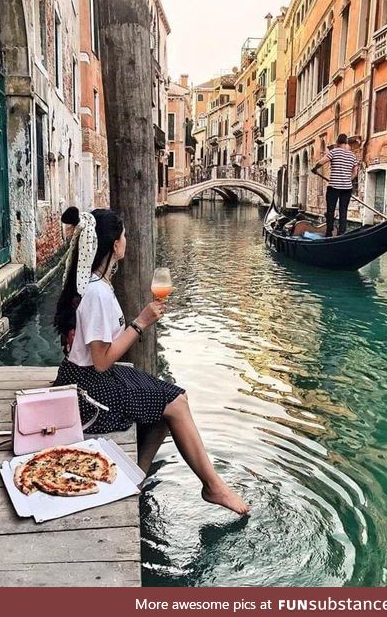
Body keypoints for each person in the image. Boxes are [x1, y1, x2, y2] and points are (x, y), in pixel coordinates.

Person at [54, 207, 249, 515]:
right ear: (115, 245)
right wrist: (141, 322)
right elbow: (102, 361)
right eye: (124, 236)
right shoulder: (97, 293)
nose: (127, 240)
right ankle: (214, 487)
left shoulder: (95, 286)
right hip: (89, 391)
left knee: (170, 400)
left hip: (86, 377)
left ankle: (138, 479)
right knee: (176, 403)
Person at [312, 134, 358, 237]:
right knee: (343, 210)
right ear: (346, 142)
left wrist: (315, 168)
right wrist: (347, 180)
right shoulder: (352, 155)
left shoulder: (334, 152)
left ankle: (329, 232)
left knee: (331, 210)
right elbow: (355, 172)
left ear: (337, 142)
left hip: (334, 187)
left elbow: (322, 161)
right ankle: (342, 232)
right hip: (347, 188)